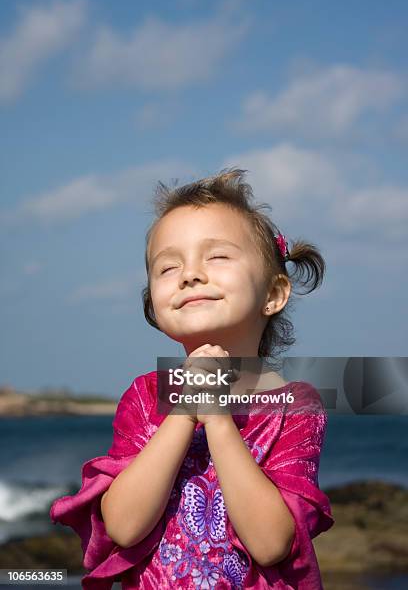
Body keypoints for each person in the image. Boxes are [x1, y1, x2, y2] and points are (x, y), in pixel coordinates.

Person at [50, 169, 334, 589]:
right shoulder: (146, 396)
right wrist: (185, 409)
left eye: (216, 257)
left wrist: (217, 416)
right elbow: (124, 528)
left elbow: (272, 543)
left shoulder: (295, 405)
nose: (189, 274)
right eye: (167, 267)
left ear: (273, 293)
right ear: (154, 307)